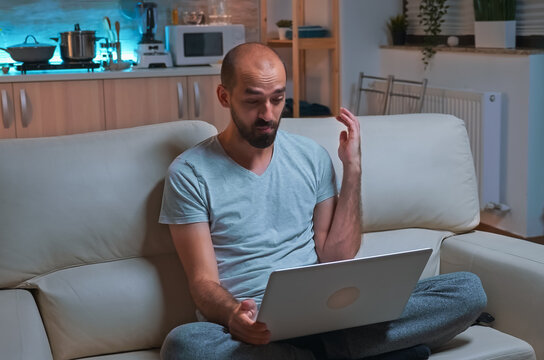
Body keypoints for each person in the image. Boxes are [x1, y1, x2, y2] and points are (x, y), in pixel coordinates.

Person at [158, 42, 486, 360]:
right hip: (251, 324)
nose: (268, 114)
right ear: (224, 96)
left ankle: (314, 354)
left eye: (277, 99)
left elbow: (336, 255)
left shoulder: (311, 157)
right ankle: (370, 352)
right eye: (253, 101)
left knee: (467, 291)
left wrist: (353, 169)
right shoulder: (190, 173)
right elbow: (202, 282)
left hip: (324, 315)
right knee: (185, 346)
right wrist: (233, 315)